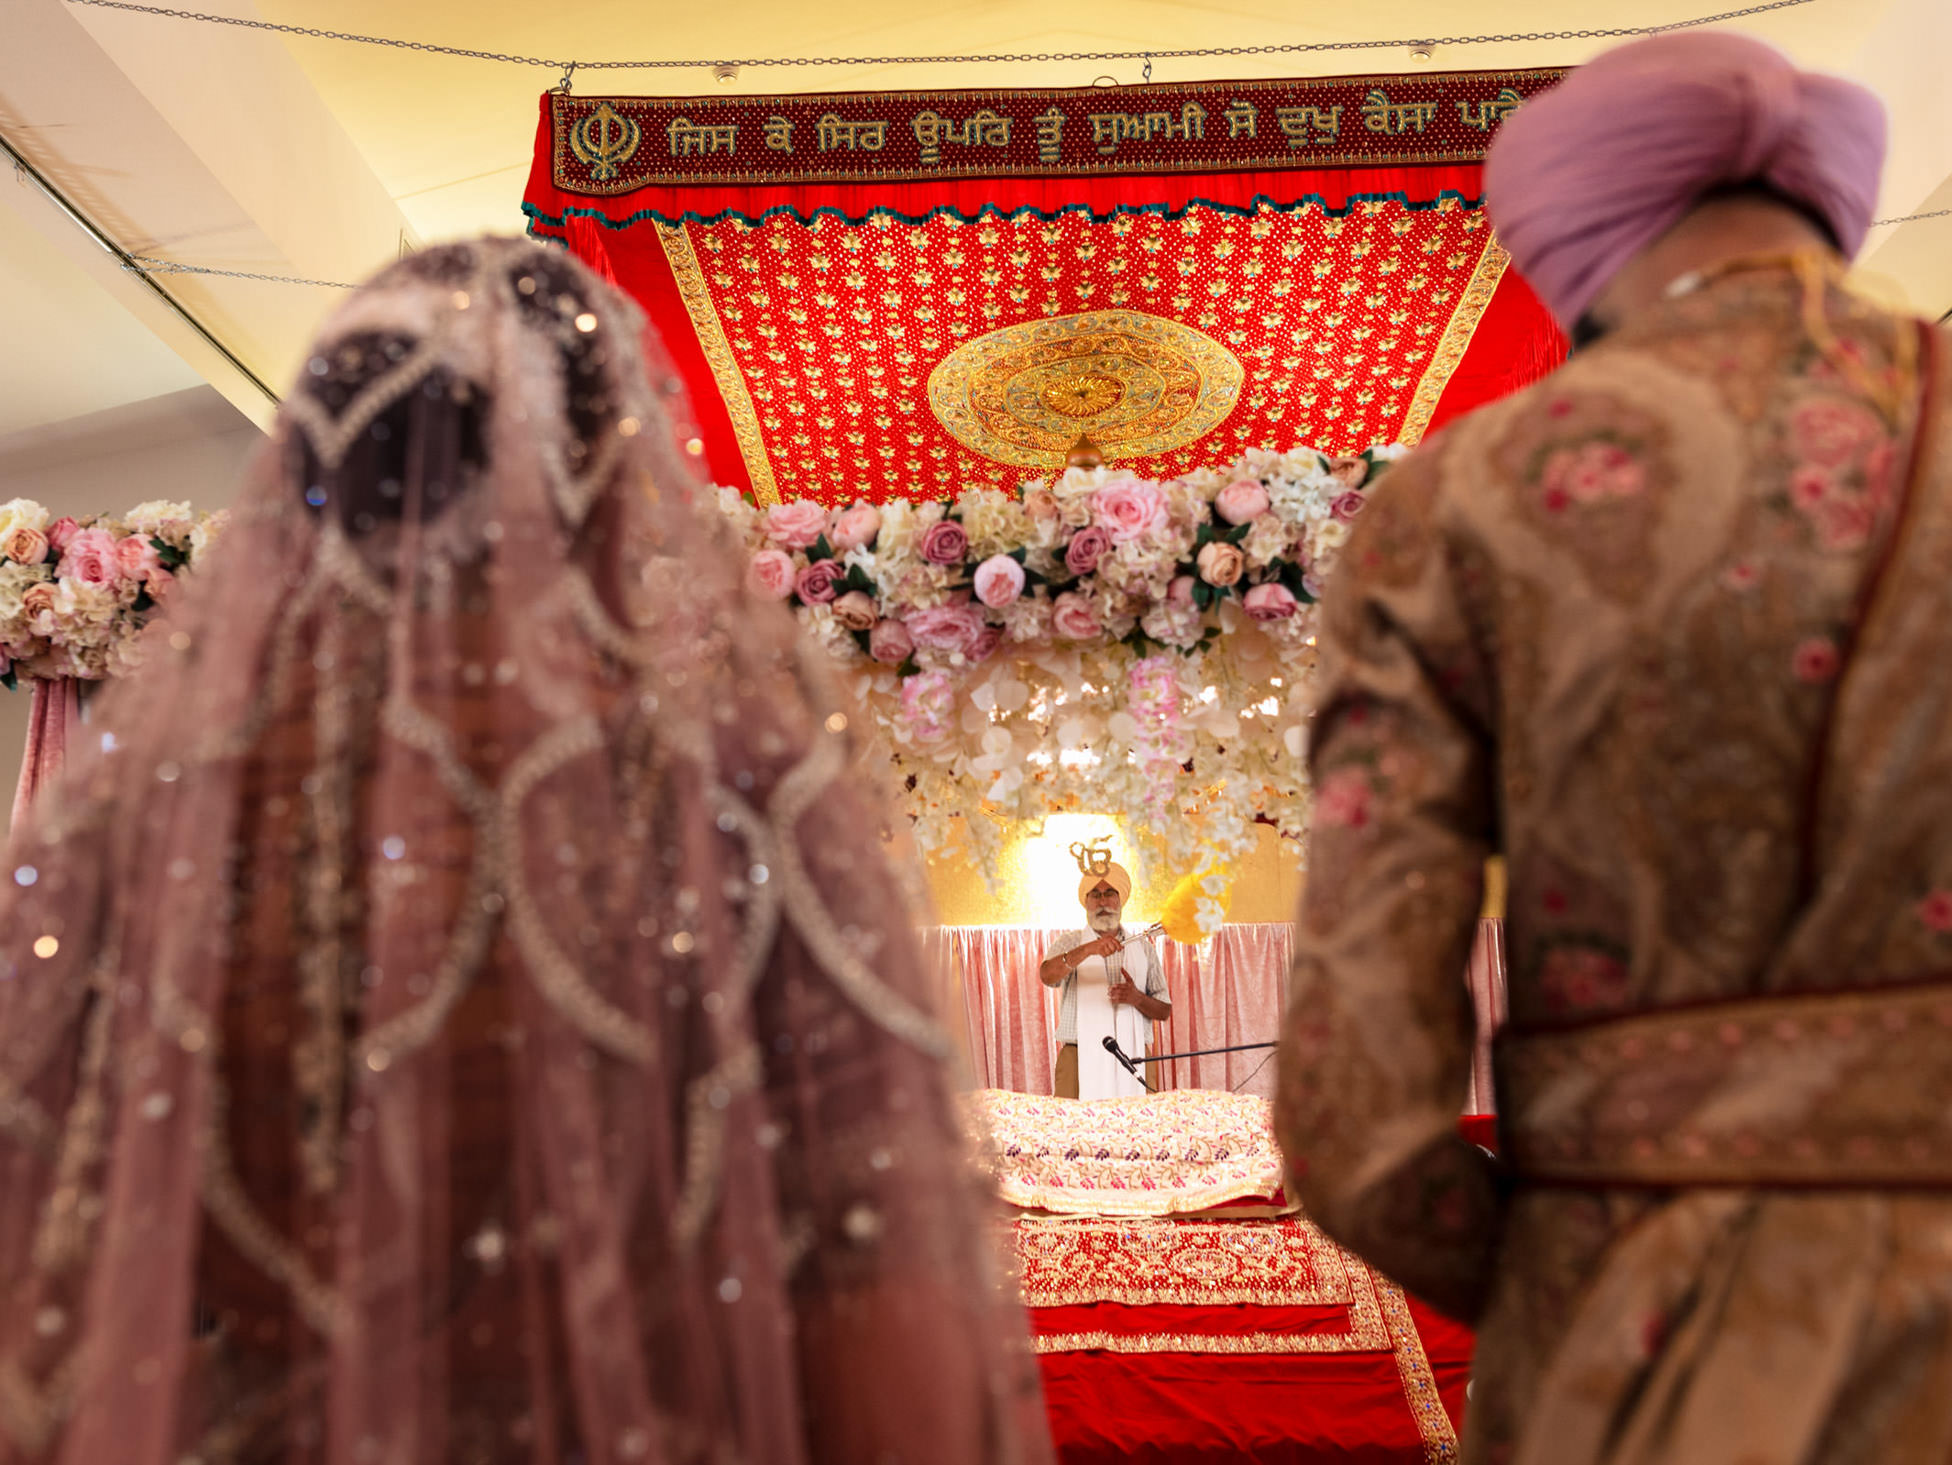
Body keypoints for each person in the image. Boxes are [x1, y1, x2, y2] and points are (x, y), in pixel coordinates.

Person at [1274, 31, 1952, 1465]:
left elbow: (1358, 1129)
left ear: (1576, 235)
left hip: (1673, 1373)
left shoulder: (1472, 499)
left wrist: (1591, 1284)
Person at [0, 240, 1053, 1465]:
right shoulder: (737, 798)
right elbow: (878, 1294)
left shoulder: (145, 819)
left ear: (315, 482)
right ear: (615, 481)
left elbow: (46, 1281)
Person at [1038, 844, 1170, 1100]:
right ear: (1085, 902)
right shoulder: (1070, 942)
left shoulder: (1142, 947)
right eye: (1095, 895)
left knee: (1137, 1132)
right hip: (1078, 1057)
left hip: (1134, 1057)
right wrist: (1088, 949)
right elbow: (1047, 976)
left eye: (1110, 893)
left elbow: (1164, 1010)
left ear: (1121, 900)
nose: (1103, 901)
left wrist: (1137, 998)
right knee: (1074, 1135)